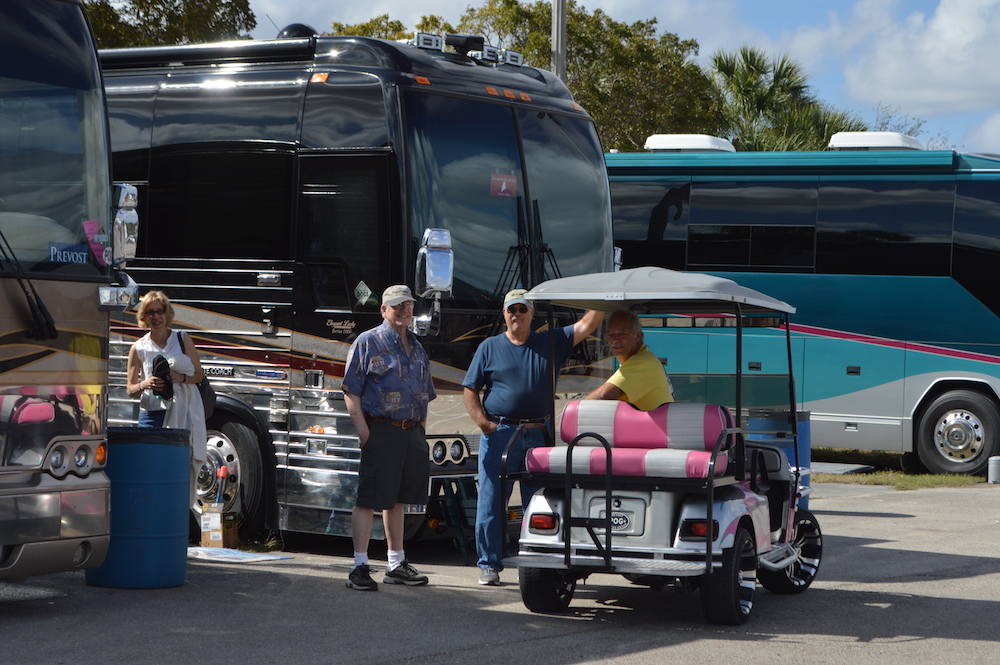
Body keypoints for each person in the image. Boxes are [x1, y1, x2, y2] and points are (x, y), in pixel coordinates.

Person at [463, 289, 604, 586]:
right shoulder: (489, 347)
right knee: (490, 502)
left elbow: (587, 325)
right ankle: (489, 564)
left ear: (532, 314)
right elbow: (470, 388)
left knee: (539, 502)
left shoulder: (550, 341)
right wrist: (483, 423)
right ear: (504, 314)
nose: (517, 315)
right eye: (511, 310)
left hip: (538, 433)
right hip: (500, 433)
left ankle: (536, 561)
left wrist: (603, 300)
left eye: (522, 310)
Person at [342, 285, 436, 591]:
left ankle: (396, 564)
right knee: (369, 499)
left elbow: (425, 392)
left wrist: (420, 429)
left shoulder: (418, 347)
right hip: (380, 428)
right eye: (397, 306)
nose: (404, 310)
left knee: (397, 501)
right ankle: (359, 567)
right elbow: (350, 391)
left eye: (408, 305)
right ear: (384, 310)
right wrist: (365, 432)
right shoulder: (367, 341)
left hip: (410, 431)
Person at [126, 290, 207, 508]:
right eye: (150, 312)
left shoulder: (181, 339)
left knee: (175, 469)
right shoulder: (139, 347)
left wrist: (181, 377)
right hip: (151, 416)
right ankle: (149, 511)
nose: (156, 317)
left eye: (160, 311)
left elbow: (199, 374)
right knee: (148, 470)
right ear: (144, 317)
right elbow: (130, 389)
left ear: (167, 313)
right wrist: (145, 384)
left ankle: (175, 512)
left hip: (180, 414)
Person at [584, 309, 673, 411]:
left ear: (638, 336)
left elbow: (604, 395)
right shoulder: (638, 359)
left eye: (622, 333)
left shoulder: (641, 363)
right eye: (610, 335)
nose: (615, 339)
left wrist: (577, 410)